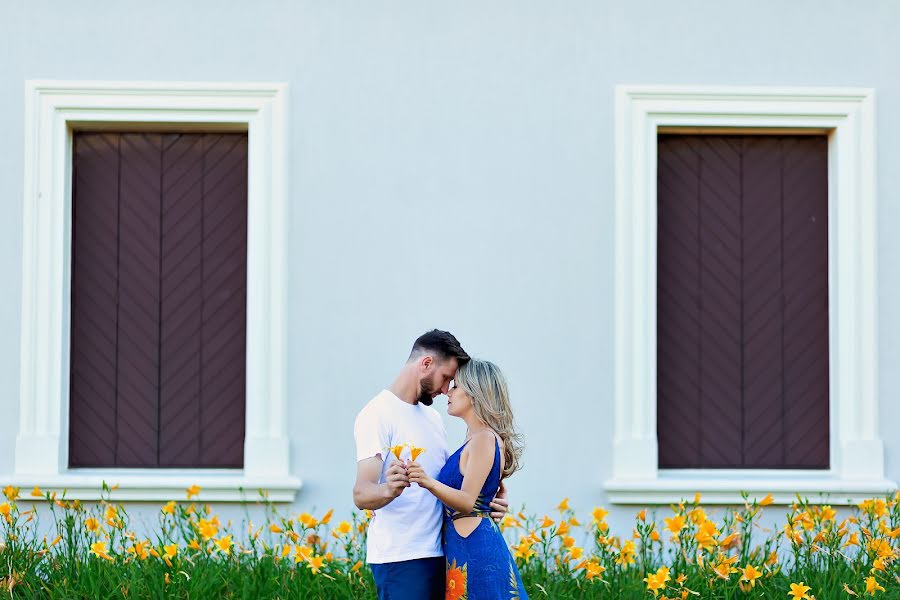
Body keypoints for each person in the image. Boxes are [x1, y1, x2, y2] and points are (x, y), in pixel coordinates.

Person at [353, 330, 509, 600]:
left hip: (446, 553)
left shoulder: (434, 418)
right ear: (426, 364)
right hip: (404, 557)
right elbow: (361, 493)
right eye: (446, 378)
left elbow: (454, 483)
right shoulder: (376, 414)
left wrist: (485, 502)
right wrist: (389, 489)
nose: (446, 389)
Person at [408, 358, 528, 600]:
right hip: (464, 546)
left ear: (474, 393)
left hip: (476, 550)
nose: (447, 392)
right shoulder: (477, 439)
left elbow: (467, 501)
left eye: (455, 386)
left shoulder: (484, 438)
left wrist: (427, 480)